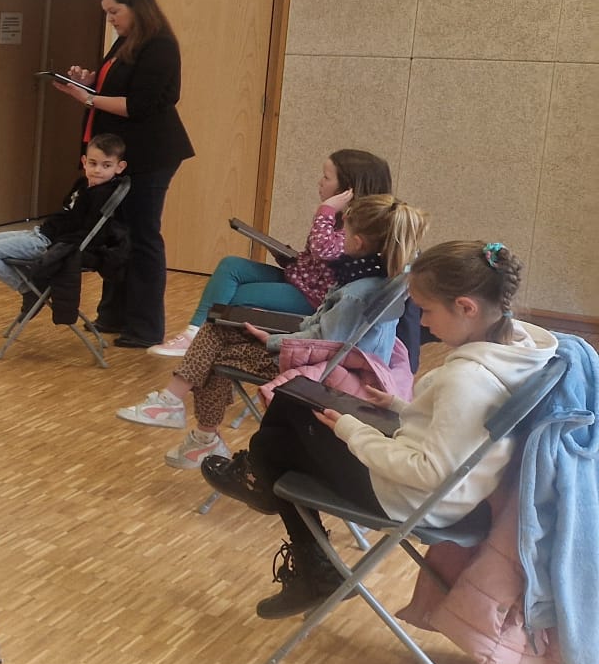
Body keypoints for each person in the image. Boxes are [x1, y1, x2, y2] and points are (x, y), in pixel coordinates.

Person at [201, 241, 555, 619]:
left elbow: (428, 471)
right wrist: (402, 408)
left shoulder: (468, 380)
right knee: (293, 416)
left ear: (466, 307)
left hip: (413, 499)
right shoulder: (516, 351)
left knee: (284, 423)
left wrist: (355, 432)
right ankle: (274, 502)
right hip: (449, 493)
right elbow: (459, 430)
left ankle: (271, 499)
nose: (422, 323)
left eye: (427, 310)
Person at [116, 195, 427, 469]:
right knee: (217, 331)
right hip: (328, 359)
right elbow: (324, 333)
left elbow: (325, 345)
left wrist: (276, 339)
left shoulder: (355, 294)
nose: (340, 238)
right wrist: (282, 335)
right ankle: (189, 424)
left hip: (325, 372)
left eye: (343, 233)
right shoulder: (379, 277)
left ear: (358, 242)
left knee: (214, 349)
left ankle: (193, 426)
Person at [52, 0, 194, 348]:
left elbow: (139, 105)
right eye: (107, 13)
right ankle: (113, 315)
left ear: (137, 6)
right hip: (121, 153)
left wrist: (87, 99)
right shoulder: (126, 40)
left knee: (143, 236)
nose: (111, 19)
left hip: (150, 154)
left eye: (115, 11)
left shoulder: (160, 44)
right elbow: (116, 90)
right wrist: (89, 83)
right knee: (115, 233)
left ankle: (146, 327)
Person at [152, 149, 394, 357]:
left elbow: (324, 250)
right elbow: (318, 259)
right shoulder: (337, 218)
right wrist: (287, 256)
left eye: (326, 177)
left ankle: (210, 350)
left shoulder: (357, 227)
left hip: (312, 298)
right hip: (300, 280)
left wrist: (325, 210)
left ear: (348, 190)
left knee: (235, 297)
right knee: (231, 265)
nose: (319, 182)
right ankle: (193, 332)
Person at [0, 133, 129, 314]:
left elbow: (90, 232)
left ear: (119, 167)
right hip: (42, 232)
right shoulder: (82, 183)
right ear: (84, 162)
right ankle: (35, 282)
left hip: (48, 242)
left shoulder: (103, 195)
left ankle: (28, 289)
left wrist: (57, 249)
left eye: (106, 165)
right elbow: (66, 210)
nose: (98, 170)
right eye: (93, 163)